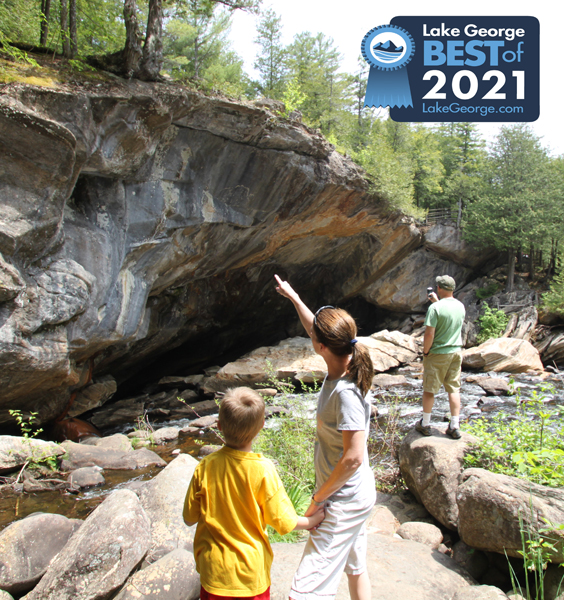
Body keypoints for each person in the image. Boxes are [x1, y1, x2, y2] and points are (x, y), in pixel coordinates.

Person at [274, 274, 376, 600]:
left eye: (314, 336)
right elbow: (313, 328)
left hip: (341, 502)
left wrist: (319, 500)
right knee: (356, 570)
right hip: (355, 494)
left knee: (305, 591)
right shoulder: (347, 362)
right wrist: (293, 296)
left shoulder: (345, 393)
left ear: (321, 347)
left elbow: (353, 457)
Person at [183, 386, 324, 600]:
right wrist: (312, 520)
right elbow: (283, 521)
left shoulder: (205, 466)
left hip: (214, 573)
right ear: (261, 427)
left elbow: (189, 517)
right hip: (251, 574)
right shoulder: (263, 469)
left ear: (219, 425)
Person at [415, 274, 466, 440]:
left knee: (429, 389)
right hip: (456, 352)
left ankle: (426, 424)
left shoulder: (434, 309)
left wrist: (426, 351)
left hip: (438, 353)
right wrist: (437, 302)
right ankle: (454, 426)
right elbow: (449, 318)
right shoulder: (460, 306)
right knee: (453, 388)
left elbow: (429, 334)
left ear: (439, 288)